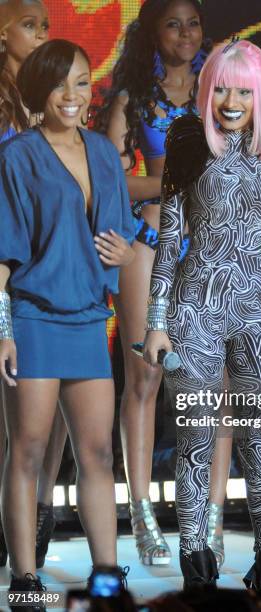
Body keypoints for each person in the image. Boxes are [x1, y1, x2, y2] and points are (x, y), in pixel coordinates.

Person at [143, 39, 261, 590]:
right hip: (195, 308)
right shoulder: (190, 142)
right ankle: (196, 562)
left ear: (260, 92)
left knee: (259, 441)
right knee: (194, 437)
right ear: (206, 89)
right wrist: (155, 321)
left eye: (243, 89)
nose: (231, 99)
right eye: (221, 87)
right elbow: (169, 240)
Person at [95, 0, 232, 568]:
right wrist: (166, 182)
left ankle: (212, 521)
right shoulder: (132, 100)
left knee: (216, 385)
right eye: (173, 22)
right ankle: (145, 517)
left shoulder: (224, 93)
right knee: (145, 380)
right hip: (147, 248)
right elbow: (106, 183)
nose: (185, 32)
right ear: (152, 31)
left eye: (193, 22)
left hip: (212, 250)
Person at [0, 39, 134, 610]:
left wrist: (126, 254)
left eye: (82, 82)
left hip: (87, 319)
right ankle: (26, 579)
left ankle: (106, 575)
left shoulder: (104, 152)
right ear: (39, 92)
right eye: (60, 85)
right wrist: (3, 329)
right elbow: (3, 258)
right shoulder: (17, 157)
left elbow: (120, 231)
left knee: (98, 454)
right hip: (32, 317)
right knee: (27, 452)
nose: (73, 96)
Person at [0, 0, 68, 569]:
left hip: (51, 270)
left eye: (46, 25)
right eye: (30, 24)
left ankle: (41, 508)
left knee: (53, 413)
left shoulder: (54, 96)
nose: (43, 34)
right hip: (7, 269)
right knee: (17, 417)